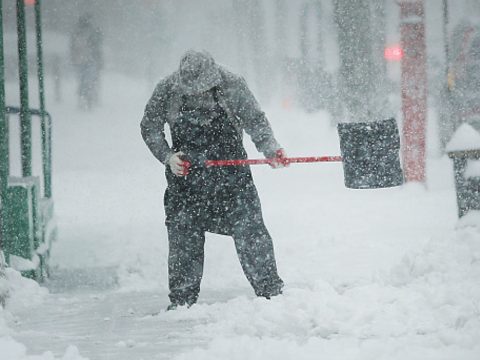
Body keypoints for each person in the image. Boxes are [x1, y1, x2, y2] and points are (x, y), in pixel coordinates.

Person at [140, 50, 286, 310]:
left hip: (232, 179)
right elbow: (149, 126)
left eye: (203, 91)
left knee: (251, 232)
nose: (198, 96)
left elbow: (255, 120)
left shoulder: (233, 84)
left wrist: (271, 148)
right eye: (192, 92)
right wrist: (167, 156)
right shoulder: (167, 88)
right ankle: (182, 301)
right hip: (186, 181)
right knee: (184, 239)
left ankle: (271, 293)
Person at [70, 15, 103, 110]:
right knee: (89, 80)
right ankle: (88, 98)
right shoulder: (92, 33)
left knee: (83, 81)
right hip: (89, 60)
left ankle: (84, 98)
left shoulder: (77, 33)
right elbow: (97, 47)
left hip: (80, 60)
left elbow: (72, 47)